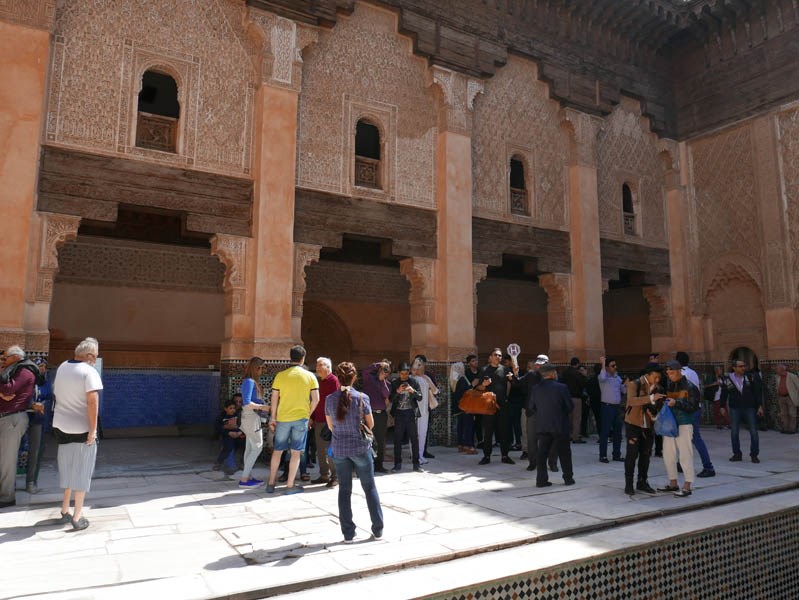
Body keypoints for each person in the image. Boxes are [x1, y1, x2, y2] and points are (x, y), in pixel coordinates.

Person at [325, 362, 383, 542]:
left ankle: (348, 533)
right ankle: (378, 528)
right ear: (354, 377)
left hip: (340, 449)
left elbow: (330, 426)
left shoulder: (329, 399)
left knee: (344, 490)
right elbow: (370, 424)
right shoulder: (362, 398)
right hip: (360, 448)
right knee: (369, 487)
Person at [52, 337, 103, 530]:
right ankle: (77, 516)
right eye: (96, 356)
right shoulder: (89, 372)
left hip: (60, 426)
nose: (96, 359)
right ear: (90, 356)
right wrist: (93, 431)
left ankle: (65, 509)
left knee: (67, 466)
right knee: (82, 471)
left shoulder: (63, 367)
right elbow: (92, 403)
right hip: (81, 428)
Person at [266, 345, 320, 494]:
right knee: (296, 452)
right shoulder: (310, 376)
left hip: (282, 419)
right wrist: (308, 415)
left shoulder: (280, 375)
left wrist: (273, 417)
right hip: (301, 419)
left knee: (278, 451)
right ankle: (290, 486)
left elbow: (274, 398)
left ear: (291, 357)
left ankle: (270, 484)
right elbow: (316, 399)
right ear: (303, 358)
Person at [0, 346, 39, 509]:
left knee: (7, 461)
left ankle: (7, 497)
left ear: (15, 357)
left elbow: (7, 389)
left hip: (12, 419)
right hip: (7, 418)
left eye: (5, 357)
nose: (3, 360)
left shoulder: (24, 371)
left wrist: (3, 392)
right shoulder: (13, 371)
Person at [657, 360, 699, 497]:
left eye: (672, 373)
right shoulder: (670, 385)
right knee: (668, 455)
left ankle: (687, 486)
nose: (670, 376)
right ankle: (673, 483)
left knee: (685, 455)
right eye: (668, 373)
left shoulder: (691, 387)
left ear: (680, 371)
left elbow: (693, 407)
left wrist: (677, 403)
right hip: (670, 425)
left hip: (684, 424)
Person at [529, 364, 574, 488]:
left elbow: (531, 407)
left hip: (543, 425)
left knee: (542, 454)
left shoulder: (535, 388)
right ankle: (568, 478)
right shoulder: (562, 387)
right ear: (552, 373)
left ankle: (541, 480)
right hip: (560, 425)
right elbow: (570, 406)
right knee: (564, 453)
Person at [513, 355, 557, 472]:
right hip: (532, 412)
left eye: (541, 365)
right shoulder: (531, 375)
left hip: (549, 413)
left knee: (551, 439)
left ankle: (552, 463)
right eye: (538, 364)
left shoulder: (553, 377)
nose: (539, 366)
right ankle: (533, 462)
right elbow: (517, 383)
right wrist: (514, 374)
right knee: (531, 438)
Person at [624, 365, 663, 495]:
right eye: (655, 377)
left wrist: (655, 413)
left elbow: (658, 406)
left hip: (648, 426)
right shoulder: (634, 384)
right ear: (648, 374)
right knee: (632, 455)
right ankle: (628, 484)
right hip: (633, 424)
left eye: (659, 377)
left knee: (645, 455)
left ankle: (642, 482)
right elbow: (632, 401)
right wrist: (651, 398)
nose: (657, 380)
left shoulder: (657, 388)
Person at [676, 351, 715, 478]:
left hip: (688, 410)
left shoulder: (682, 374)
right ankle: (682, 463)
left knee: (695, 438)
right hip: (694, 408)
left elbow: (682, 394)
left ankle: (708, 467)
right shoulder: (692, 372)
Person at [720, 359, 764, 463]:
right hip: (735, 408)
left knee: (753, 431)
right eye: (740, 366)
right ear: (734, 368)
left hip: (750, 407)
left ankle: (754, 454)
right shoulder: (727, 379)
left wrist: (760, 406)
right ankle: (737, 454)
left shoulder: (750, 377)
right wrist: (722, 406)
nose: (743, 368)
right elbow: (724, 393)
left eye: (744, 366)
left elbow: (756, 392)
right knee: (734, 432)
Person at [476, 348, 514, 465]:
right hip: (488, 406)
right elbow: (478, 388)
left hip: (502, 405)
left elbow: (509, 384)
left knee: (504, 431)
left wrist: (505, 398)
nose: (498, 357)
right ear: (490, 357)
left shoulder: (505, 369)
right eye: (496, 355)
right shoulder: (484, 370)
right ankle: (486, 456)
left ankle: (505, 455)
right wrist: (484, 384)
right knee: (488, 432)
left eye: (500, 355)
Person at [238, 357, 270, 488]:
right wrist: (263, 407)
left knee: (250, 448)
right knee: (257, 447)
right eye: (262, 368)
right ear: (257, 368)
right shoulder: (250, 382)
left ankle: (247, 476)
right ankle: (245, 479)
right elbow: (246, 403)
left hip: (250, 418)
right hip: (251, 418)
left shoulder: (249, 381)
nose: (262, 371)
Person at [311, 357, 340, 487]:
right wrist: (312, 417)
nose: (317, 367)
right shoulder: (319, 381)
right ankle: (324, 474)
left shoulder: (333, 381)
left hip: (329, 421)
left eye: (320, 365)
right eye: (317, 365)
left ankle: (335, 476)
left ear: (328, 367)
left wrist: (333, 421)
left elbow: (335, 402)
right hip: (318, 420)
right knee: (320, 449)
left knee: (330, 450)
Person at [25, 358, 52, 494]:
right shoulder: (26, 380)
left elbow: (49, 399)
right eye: (39, 366)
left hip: (38, 420)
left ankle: (31, 481)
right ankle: (8, 482)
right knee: (13, 450)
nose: (42, 368)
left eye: (43, 366)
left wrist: (42, 406)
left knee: (36, 451)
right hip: (22, 417)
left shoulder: (46, 383)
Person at [389, 362, 423, 472]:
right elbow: (391, 399)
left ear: (409, 373)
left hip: (410, 413)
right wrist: (398, 392)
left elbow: (420, 397)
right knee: (397, 440)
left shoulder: (414, 382)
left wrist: (412, 391)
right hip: (399, 414)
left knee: (414, 439)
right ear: (399, 373)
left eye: (406, 373)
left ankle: (416, 464)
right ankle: (397, 464)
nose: (404, 376)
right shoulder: (394, 383)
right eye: (402, 374)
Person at [361, 360, 392, 472]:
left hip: (381, 415)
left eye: (387, 371)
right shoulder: (369, 379)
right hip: (370, 414)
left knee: (381, 441)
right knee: (368, 439)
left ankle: (379, 465)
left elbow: (386, 394)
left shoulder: (386, 383)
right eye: (384, 369)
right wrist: (378, 364)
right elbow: (365, 371)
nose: (385, 372)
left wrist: (382, 380)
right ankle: (369, 465)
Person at [598, 356, 625, 463]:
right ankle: (603, 455)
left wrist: (626, 385)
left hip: (617, 408)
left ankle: (616, 454)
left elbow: (623, 390)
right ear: (607, 367)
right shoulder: (603, 378)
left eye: (615, 365)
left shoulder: (618, 378)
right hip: (607, 407)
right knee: (605, 432)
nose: (615, 367)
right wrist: (603, 364)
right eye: (613, 366)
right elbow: (602, 376)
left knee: (618, 432)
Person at [411, 355, 438, 464]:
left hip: (425, 410)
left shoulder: (426, 378)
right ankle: (415, 456)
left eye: (421, 364)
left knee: (423, 433)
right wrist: (413, 371)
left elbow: (435, 391)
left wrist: (428, 380)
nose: (420, 367)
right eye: (417, 364)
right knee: (414, 434)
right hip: (415, 410)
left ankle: (420, 455)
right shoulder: (411, 379)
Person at [450, 361, 477, 454]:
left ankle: (460, 445)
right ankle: (468, 446)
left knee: (461, 426)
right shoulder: (461, 379)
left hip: (460, 408)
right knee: (468, 426)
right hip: (465, 407)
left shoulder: (456, 379)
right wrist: (473, 385)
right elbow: (466, 392)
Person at [560, 357, 587, 443]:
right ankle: (575, 437)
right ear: (577, 364)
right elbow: (583, 384)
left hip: (566, 397)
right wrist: (584, 375)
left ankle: (568, 435)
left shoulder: (565, 372)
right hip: (576, 397)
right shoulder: (577, 373)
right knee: (576, 418)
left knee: (568, 418)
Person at [215, 399, 244, 475]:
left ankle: (242, 463)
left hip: (237, 435)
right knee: (228, 448)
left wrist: (239, 433)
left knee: (244, 445)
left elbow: (241, 426)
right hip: (227, 435)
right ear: (225, 409)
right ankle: (219, 462)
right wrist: (228, 432)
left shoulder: (237, 416)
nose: (233, 410)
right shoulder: (221, 417)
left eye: (234, 408)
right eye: (230, 408)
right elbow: (219, 428)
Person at [503, 354, 525, 451]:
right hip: (518, 400)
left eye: (506, 362)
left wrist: (506, 398)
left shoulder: (509, 372)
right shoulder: (521, 372)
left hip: (513, 401)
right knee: (515, 423)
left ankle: (516, 443)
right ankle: (516, 442)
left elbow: (509, 386)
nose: (505, 364)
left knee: (514, 423)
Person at [464, 354, 483, 446]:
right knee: (470, 421)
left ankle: (480, 441)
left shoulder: (480, 372)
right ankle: (469, 442)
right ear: (468, 363)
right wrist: (473, 384)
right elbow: (467, 387)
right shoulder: (466, 373)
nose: (476, 362)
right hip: (470, 400)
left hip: (480, 399)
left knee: (479, 421)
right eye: (473, 361)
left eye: (476, 360)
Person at [775, 364, 799, 434]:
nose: (776, 370)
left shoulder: (792, 376)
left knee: (792, 413)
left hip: (790, 397)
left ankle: (792, 429)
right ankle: (785, 428)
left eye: (777, 369)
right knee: (784, 414)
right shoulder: (777, 377)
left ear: (782, 369)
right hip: (781, 397)